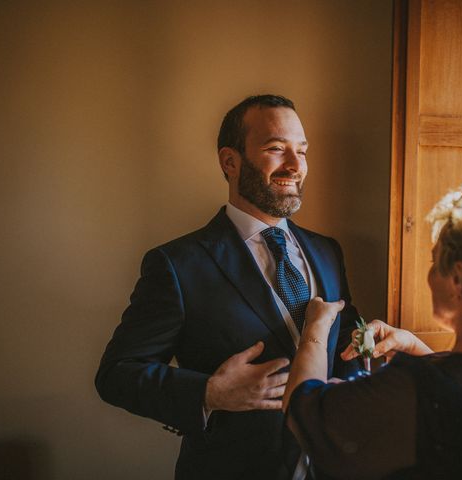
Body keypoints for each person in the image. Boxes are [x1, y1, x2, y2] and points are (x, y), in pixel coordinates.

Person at [95, 94, 361, 479]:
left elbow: (345, 344)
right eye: (276, 149)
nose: (294, 165)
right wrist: (209, 394)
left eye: (301, 152)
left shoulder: (327, 251)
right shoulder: (177, 265)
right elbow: (116, 375)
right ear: (230, 161)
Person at [283, 178, 462, 479]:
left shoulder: (415, 390)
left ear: (458, 280)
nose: (429, 275)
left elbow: (302, 411)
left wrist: (315, 329)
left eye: (435, 262)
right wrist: (415, 347)